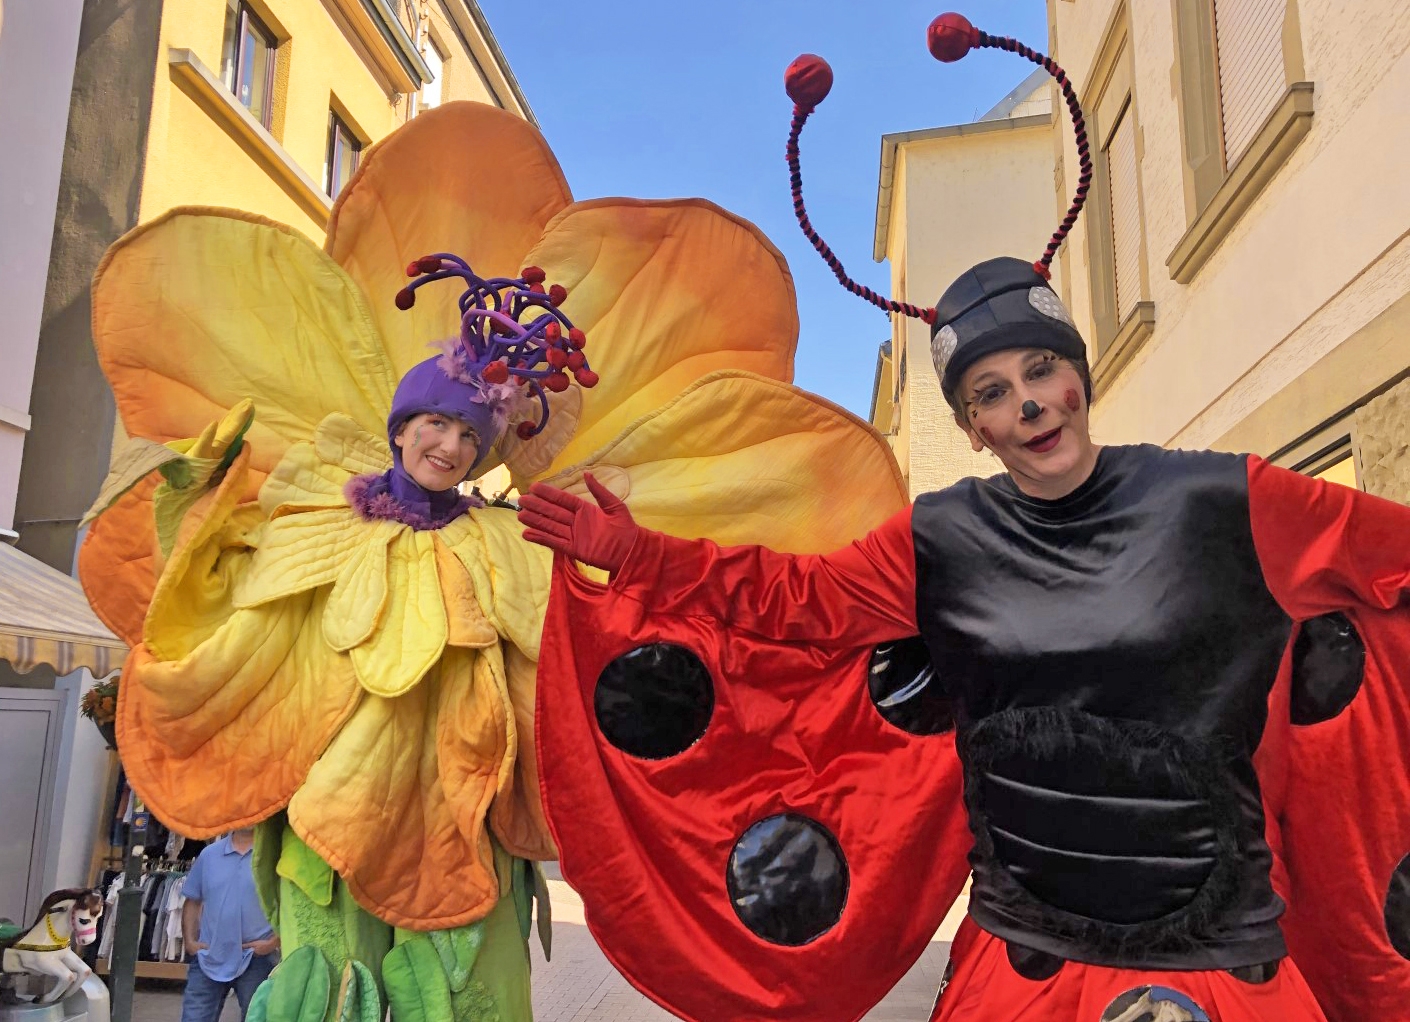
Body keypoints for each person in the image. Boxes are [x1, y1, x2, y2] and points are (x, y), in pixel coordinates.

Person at [515, 14, 1410, 1022]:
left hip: (1220, 960)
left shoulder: (1229, 501)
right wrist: (632, 555)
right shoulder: (941, 540)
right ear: (975, 429)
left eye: (1041, 369)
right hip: (1022, 965)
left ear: (1079, 375)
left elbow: (1396, 554)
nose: (1027, 400)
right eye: (991, 392)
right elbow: (788, 600)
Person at [180, 828, 278, 1022]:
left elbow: (288, 905)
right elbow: (192, 900)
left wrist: (273, 943)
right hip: (209, 956)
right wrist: (190, 942)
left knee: (256, 1018)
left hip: (256, 959)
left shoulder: (273, 856)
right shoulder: (209, 855)